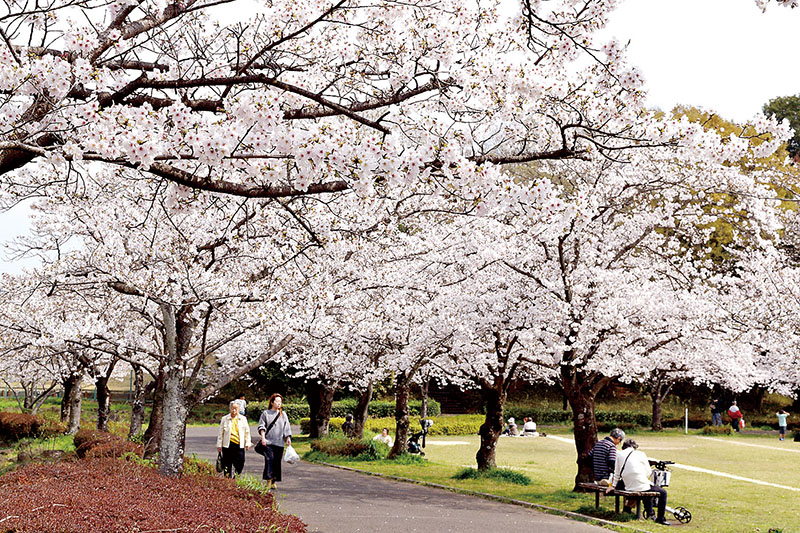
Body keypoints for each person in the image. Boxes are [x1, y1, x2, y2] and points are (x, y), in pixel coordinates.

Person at [606, 439, 671, 526]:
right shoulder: (641, 454)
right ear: (634, 447)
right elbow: (648, 471)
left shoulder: (619, 454)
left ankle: (644, 512)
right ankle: (660, 518)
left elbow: (617, 473)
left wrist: (613, 486)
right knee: (662, 492)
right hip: (641, 485)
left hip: (628, 485)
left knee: (642, 488)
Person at [256, 393, 292, 487]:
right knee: (269, 459)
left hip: (279, 443)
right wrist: (263, 438)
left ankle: (274, 481)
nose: (279, 403)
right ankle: (268, 479)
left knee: (277, 462)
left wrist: (288, 437)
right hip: (268, 442)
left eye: (280, 401)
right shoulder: (266, 413)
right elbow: (261, 426)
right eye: (277, 401)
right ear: (272, 402)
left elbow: (286, 427)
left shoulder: (283, 414)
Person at [216, 400, 251, 478]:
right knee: (227, 464)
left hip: (239, 444)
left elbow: (247, 432)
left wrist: (248, 443)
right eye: (232, 408)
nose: (234, 410)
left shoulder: (243, 419)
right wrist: (219, 445)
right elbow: (220, 433)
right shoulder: (225, 419)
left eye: (236, 408)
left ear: (239, 409)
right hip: (228, 444)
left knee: (240, 463)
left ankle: (236, 477)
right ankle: (228, 480)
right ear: (229, 409)